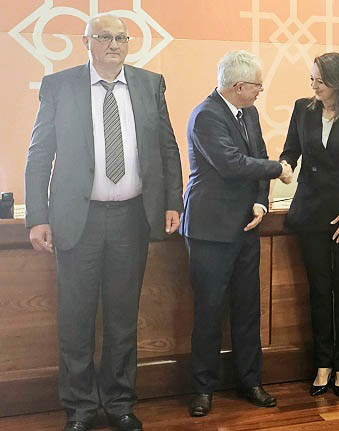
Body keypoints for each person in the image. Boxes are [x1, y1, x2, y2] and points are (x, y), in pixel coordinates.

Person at [24, 15, 183, 431]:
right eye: (105, 37)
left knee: (122, 317)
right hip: (78, 220)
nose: (114, 44)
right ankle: (79, 407)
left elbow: (167, 148)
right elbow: (39, 155)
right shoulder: (60, 86)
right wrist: (37, 217)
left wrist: (173, 202)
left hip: (132, 218)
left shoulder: (150, 85)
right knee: (76, 318)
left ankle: (119, 402)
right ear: (86, 42)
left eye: (121, 37)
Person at [182, 50, 292, 417]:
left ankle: (250, 381)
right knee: (209, 311)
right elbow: (232, 165)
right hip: (210, 230)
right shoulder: (206, 115)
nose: (261, 90)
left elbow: (257, 156)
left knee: (248, 309)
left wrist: (261, 202)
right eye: (258, 85)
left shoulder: (250, 113)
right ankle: (202, 389)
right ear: (239, 86)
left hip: (246, 226)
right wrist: (279, 169)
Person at [279, 52, 339, 398]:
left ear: (337, 81)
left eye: (319, 80)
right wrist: (285, 166)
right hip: (312, 212)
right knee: (319, 289)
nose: (314, 86)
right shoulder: (302, 109)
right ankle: (323, 363)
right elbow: (290, 150)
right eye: (312, 80)